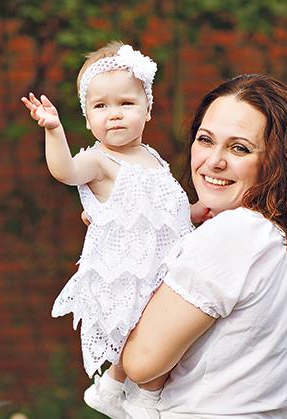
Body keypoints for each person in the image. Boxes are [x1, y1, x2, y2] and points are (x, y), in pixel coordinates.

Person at [119, 74, 287, 418]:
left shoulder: (235, 234)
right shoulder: (280, 238)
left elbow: (141, 362)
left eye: (239, 148)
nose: (214, 161)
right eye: (205, 140)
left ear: (277, 161)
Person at [21, 42, 208, 418]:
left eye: (126, 103)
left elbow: (161, 213)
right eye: (101, 107)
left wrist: (194, 212)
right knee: (155, 336)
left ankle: (110, 389)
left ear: (148, 109)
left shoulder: (152, 158)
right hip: (131, 271)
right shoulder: (99, 161)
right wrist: (53, 130)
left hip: (164, 264)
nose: (115, 115)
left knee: (164, 334)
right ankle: (143, 400)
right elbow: (65, 172)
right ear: (87, 119)